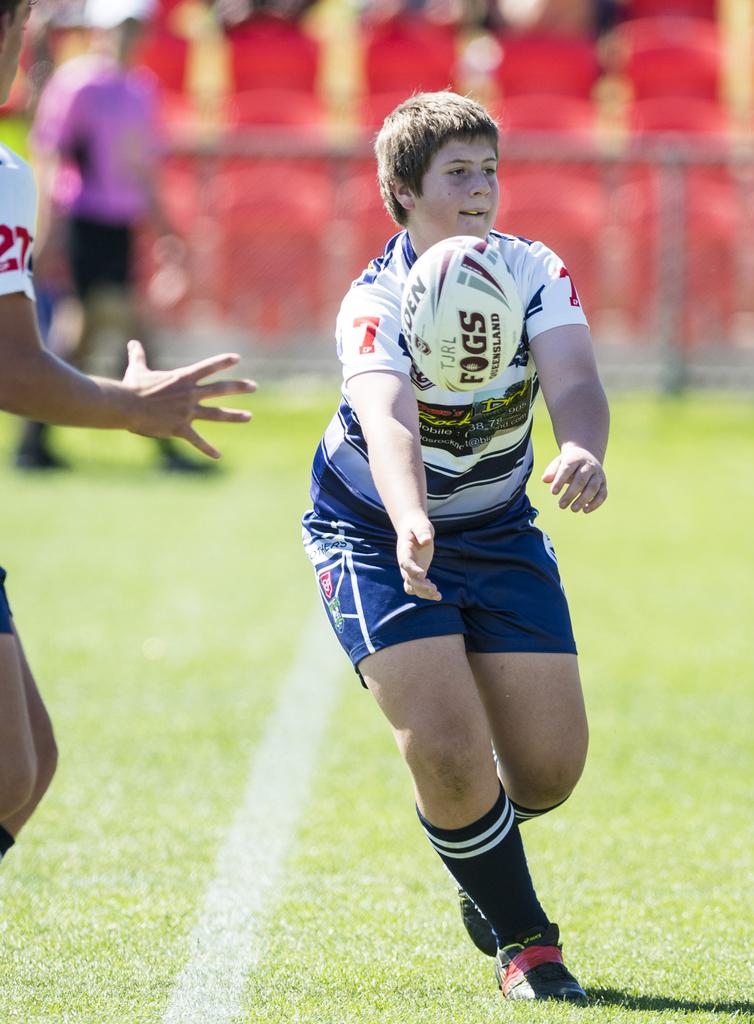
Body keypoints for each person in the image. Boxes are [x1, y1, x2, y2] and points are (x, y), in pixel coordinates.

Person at [302, 91, 609, 1003]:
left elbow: (576, 376)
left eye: (490, 170)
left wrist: (583, 446)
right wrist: (407, 514)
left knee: (548, 772)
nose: (482, 191)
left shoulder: (532, 268)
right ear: (402, 190)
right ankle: (527, 942)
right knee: (444, 746)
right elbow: (387, 418)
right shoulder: (375, 298)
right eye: (458, 173)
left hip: (499, 525)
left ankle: (480, 850)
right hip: (373, 529)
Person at [0, 0, 256, 864]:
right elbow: (11, 367)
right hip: (88, 221)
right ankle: (45, 438)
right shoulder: (31, 139)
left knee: (26, 769)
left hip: (111, 220)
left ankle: (44, 439)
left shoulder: (135, 95)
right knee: (12, 771)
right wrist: (133, 407)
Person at [15, 1, 208, 471]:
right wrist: (50, 230)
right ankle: (163, 435)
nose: (126, 38)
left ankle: (32, 441)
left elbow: (142, 171)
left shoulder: (141, 90)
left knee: (80, 329)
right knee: (126, 326)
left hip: (120, 227)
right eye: (119, 28)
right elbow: (55, 158)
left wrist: (165, 230)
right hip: (85, 222)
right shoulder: (78, 83)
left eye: (134, 28)